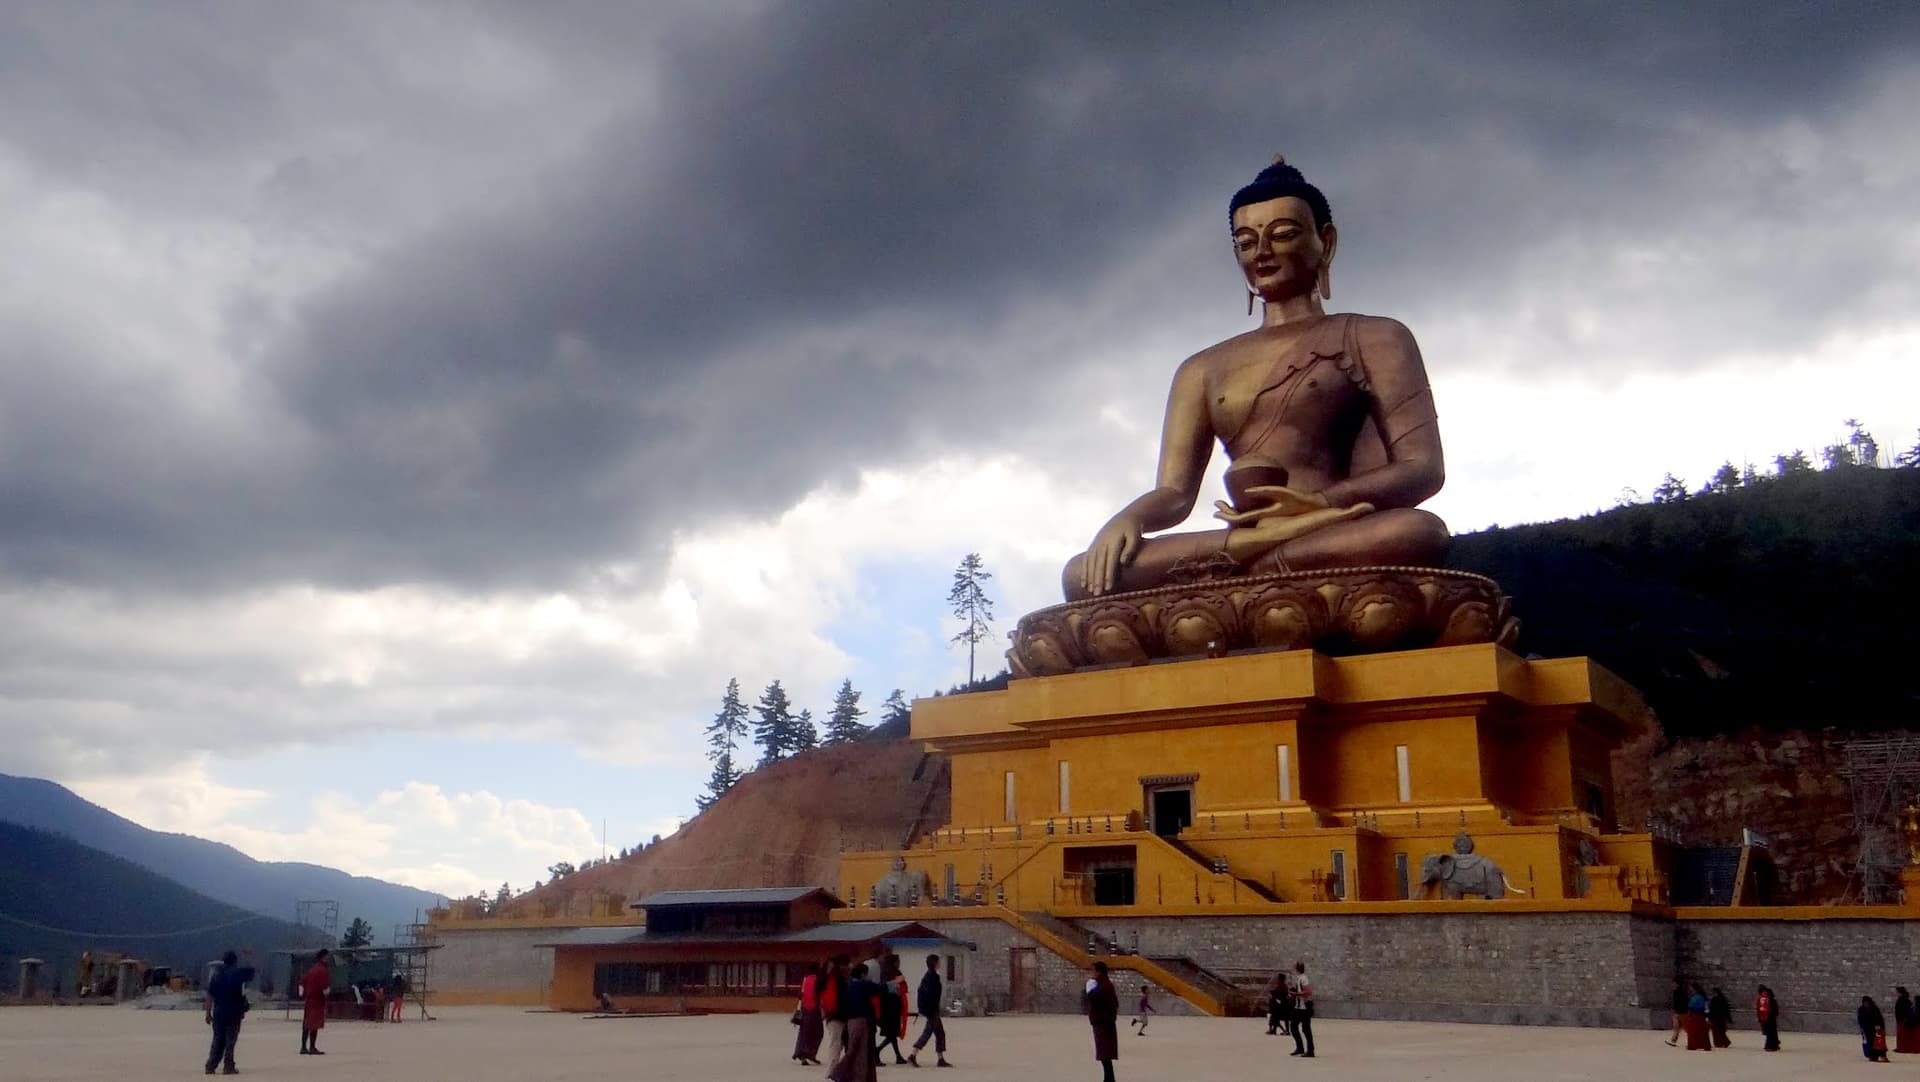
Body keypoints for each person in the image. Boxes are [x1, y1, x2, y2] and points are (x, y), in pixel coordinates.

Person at [1063, 158, 1450, 603]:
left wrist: (1319, 505)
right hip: (1251, 536)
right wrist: (1129, 519)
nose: (1262, 252)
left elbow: (1422, 468)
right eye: (1247, 242)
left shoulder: (1375, 336)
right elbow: (1174, 493)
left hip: (1336, 529)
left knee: (1416, 532)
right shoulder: (1201, 369)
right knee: (1083, 573)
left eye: (1282, 234)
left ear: (1326, 242)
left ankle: (1237, 576)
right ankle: (1251, 561)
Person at [202, 949, 255, 1076]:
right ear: (235, 961)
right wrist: (250, 956)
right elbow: (252, 970)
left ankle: (211, 1065)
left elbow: (210, 996)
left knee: (217, 1039)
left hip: (219, 1012)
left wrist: (208, 1013)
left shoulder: (216, 975)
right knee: (230, 1040)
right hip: (234, 1012)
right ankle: (228, 1066)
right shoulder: (238, 973)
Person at [827, 962, 880, 1082]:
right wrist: (894, 983)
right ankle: (840, 1074)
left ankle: (845, 1075)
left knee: (853, 1049)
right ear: (863, 974)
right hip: (861, 1021)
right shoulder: (862, 985)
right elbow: (880, 989)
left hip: (850, 1021)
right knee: (859, 1051)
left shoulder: (848, 985)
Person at [908, 954, 951, 1068]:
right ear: (935, 963)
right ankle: (913, 1055)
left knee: (939, 1033)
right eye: (938, 961)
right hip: (931, 1010)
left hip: (931, 1010)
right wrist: (930, 1010)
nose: (940, 963)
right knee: (929, 1033)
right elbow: (931, 995)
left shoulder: (929, 976)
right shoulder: (932, 977)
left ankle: (940, 1058)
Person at [1085, 961, 1120, 1082]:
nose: (1091, 973)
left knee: (1105, 1055)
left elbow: (1093, 999)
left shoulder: (1104, 986)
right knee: (1105, 1056)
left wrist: (1089, 991)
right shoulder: (1104, 984)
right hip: (1104, 1023)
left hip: (1103, 1024)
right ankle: (1108, 1079)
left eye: (1093, 970)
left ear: (1099, 972)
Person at [875, 957, 909, 1066]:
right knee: (892, 1032)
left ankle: (897, 1055)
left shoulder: (887, 972)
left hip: (890, 1005)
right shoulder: (890, 973)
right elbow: (885, 987)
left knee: (892, 1033)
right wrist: (896, 982)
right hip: (890, 1006)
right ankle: (878, 1050)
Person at [792, 960, 826, 1066]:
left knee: (804, 1033)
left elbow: (800, 995)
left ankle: (801, 1053)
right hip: (814, 1010)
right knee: (818, 1033)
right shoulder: (818, 980)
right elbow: (820, 995)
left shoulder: (805, 979)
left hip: (804, 1009)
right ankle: (809, 1053)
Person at [299, 948, 331, 1055]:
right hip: (317, 999)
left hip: (309, 999)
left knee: (307, 1022)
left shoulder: (312, 969)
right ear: (324, 957)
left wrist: (302, 995)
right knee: (315, 1023)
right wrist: (327, 994)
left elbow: (302, 982)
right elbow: (325, 986)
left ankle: (303, 1047)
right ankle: (312, 1047)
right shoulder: (322, 970)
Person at [821, 955, 849, 1071]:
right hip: (838, 1016)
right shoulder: (839, 981)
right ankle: (832, 1071)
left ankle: (837, 1069)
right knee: (836, 1044)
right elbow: (843, 998)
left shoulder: (827, 979)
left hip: (832, 1016)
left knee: (840, 1043)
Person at [1288, 961, 1316, 1059]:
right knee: (1295, 1027)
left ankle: (1309, 1050)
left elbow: (1308, 991)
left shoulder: (1303, 979)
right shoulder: (1300, 978)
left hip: (1303, 1008)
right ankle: (1301, 1048)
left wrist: (1296, 994)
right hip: (1299, 1007)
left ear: (1297, 969)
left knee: (1305, 1029)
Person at [1862, 995, 1891, 1062]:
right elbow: (1861, 1019)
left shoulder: (1874, 1008)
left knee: (1879, 1043)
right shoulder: (1862, 1009)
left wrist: (1878, 1026)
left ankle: (1882, 1056)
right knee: (1870, 1043)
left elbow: (1878, 1018)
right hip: (1868, 1029)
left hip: (1877, 1029)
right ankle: (1873, 1056)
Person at [1683, 982, 1711, 1051]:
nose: (1690, 989)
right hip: (1694, 1016)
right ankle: (1693, 1044)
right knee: (1694, 1031)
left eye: (1691, 988)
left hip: (1698, 1016)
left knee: (1697, 1031)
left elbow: (1702, 1007)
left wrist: (1692, 1007)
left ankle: (1696, 1045)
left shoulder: (1700, 997)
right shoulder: (1695, 996)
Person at [1755, 984, 1782, 1052]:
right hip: (1770, 1017)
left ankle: (1770, 1046)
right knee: (1772, 1032)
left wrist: (1759, 1017)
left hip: (1766, 1017)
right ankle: (1774, 1045)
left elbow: (1759, 1008)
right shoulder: (1769, 996)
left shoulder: (1762, 998)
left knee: (1769, 1032)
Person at [1265, 970, 1291, 1036]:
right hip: (1283, 1005)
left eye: (1278, 979)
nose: (1277, 980)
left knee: (1274, 1016)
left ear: (1280, 979)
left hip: (1281, 1006)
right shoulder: (1283, 986)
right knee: (1275, 1017)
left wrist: (1272, 993)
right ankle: (1275, 1030)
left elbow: (1278, 994)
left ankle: (1281, 1030)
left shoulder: (1281, 986)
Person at [1896, 986, 1919, 1054]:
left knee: (1903, 1035)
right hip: (1903, 1019)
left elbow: (1904, 1010)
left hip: (1904, 1020)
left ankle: (1903, 1048)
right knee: (1902, 1035)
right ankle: (1901, 1047)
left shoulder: (1903, 1000)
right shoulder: (1904, 1000)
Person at [1665, 979, 1687, 1046]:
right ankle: (1673, 1040)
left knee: (1678, 1027)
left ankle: (1673, 1040)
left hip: (1678, 1012)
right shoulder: (1683, 991)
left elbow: (1677, 1002)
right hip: (1682, 1011)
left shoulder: (1677, 992)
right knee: (1679, 1027)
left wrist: (1674, 1009)